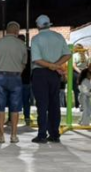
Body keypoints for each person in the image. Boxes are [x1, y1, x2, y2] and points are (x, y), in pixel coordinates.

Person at [29, 14, 71, 144]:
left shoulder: (36, 39)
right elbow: (67, 54)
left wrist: (50, 65)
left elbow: (37, 59)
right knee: (54, 104)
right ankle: (54, 134)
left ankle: (42, 134)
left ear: (38, 26)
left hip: (40, 73)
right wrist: (56, 65)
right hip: (54, 75)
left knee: (42, 105)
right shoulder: (59, 37)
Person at [0, 21, 29, 144]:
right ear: (17, 31)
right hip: (16, 77)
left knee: (0, 106)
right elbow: (24, 63)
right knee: (15, 107)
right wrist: (17, 72)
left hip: (0, 76)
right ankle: (14, 135)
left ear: (6, 30)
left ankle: (1, 135)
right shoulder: (22, 45)